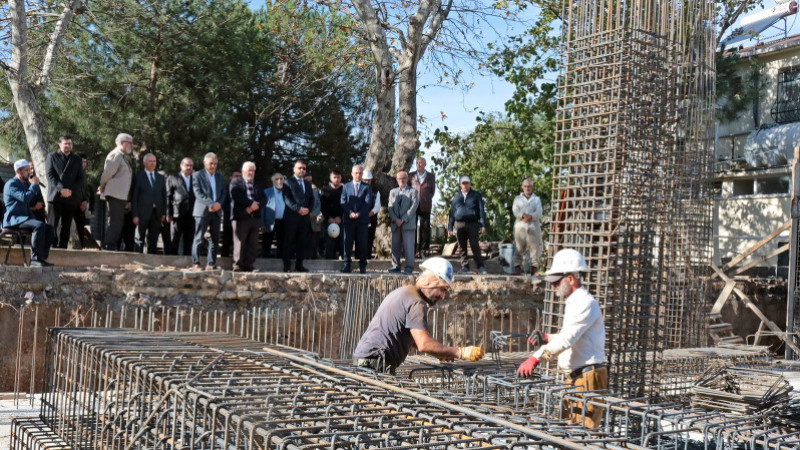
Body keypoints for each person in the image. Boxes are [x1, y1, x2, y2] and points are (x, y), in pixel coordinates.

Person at [517, 249, 606, 429]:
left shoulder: (585, 302)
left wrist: (536, 357)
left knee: (582, 435)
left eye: (556, 282)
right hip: (577, 374)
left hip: (587, 376)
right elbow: (573, 337)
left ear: (571, 279)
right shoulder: (575, 301)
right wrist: (547, 338)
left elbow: (567, 340)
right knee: (569, 431)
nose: (553, 286)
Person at [353, 257, 484, 374]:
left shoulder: (403, 292)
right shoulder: (417, 303)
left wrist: (439, 352)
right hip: (375, 362)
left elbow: (414, 340)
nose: (443, 296)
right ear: (430, 282)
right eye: (442, 289)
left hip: (365, 358)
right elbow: (423, 344)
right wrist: (459, 352)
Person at [3, 159, 55, 266]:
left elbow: (32, 197)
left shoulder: (25, 184)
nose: (30, 173)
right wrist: (34, 185)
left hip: (25, 218)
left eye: (29, 170)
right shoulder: (11, 184)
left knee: (49, 229)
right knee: (39, 226)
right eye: (27, 170)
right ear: (18, 171)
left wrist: (34, 185)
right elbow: (25, 198)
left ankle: (41, 258)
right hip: (15, 219)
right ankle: (35, 259)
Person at [45, 135, 84, 248]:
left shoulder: (76, 159)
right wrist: (61, 189)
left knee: (66, 225)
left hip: (70, 196)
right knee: (52, 224)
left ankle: (63, 248)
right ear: (59, 144)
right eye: (65, 143)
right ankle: (50, 246)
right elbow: (50, 175)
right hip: (56, 195)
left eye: (70, 144)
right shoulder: (52, 156)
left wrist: (70, 190)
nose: (68, 146)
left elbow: (80, 178)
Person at [191, 152, 227, 271]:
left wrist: (218, 204)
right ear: (204, 163)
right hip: (202, 211)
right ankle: (195, 263)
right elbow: (198, 193)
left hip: (216, 212)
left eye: (215, 164)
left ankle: (211, 263)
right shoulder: (197, 175)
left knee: (215, 239)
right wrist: (211, 204)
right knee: (199, 238)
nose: (213, 166)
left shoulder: (219, 176)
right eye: (211, 163)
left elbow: (223, 193)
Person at [98, 133, 134, 250]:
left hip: (120, 195)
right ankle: (108, 245)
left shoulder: (122, 156)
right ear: (122, 143)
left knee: (118, 221)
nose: (132, 145)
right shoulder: (115, 155)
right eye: (130, 143)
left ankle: (111, 244)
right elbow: (107, 173)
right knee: (115, 221)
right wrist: (102, 186)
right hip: (114, 194)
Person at [447, 176, 487, 275]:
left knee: (474, 245)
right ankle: (465, 267)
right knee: (461, 246)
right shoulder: (456, 197)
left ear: (470, 184)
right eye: (463, 183)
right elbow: (452, 213)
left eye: (467, 183)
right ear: (460, 184)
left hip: (472, 223)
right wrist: (450, 227)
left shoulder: (476, 195)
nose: (465, 185)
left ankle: (480, 266)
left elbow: (481, 210)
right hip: (459, 224)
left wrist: (482, 224)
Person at [230, 161, 265, 272]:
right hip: (241, 216)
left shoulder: (258, 184)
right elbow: (236, 195)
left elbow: (264, 198)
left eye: (253, 171)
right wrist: (250, 205)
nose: (251, 173)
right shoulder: (236, 182)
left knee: (253, 243)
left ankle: (249, 265)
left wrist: (256, 206)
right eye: (249, 170)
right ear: (243, 171)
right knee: (240, 241)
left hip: (255, 217)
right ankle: (237, 265)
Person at [282, 160, 317, 272]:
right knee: (288, 241)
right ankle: (287, 266)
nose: (302, 170)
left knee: (301, 242)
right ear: (294, 169)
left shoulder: (307, 184)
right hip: (291, 218)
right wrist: (298, 209)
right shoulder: (288, 182)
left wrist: (308, 209)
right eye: (299, 168)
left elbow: (312, 200)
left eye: (304, 168)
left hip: (304, 218)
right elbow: (287, 199)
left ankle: (299, 265)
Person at [131, 153, 167, 254]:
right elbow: (134, 197)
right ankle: (137, 259)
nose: (153, 163)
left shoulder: (160, 178)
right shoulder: (138, 177)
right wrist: (135, 215)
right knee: (139, 238)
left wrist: (163, 213)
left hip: (156, 214)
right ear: (144, 162)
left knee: (153, 239)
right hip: (142, 213)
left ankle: (151, 261)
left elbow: (164, 196)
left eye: (154, 161)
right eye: (150, 161)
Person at [340, 164, 372, 273]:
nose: (358, 175)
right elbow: (343, 201)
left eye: (360, 173)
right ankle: (346, 265)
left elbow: (367, 203)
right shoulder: (346, 186)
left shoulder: (366, 187)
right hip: (349, 220)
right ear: (352, 174)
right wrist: (350, 212)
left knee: (362, 244)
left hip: (361, 220)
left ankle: (362, 266)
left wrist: (358, 213)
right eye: (356, 173)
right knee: (347, 243)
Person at [388, 171, 418, 274]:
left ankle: (409, 267)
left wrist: (404, 219)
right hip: (395, 223)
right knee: (395, 246)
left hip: (408, 224)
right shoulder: (392, 192)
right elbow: (390, 207)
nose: (402, 180)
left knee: (409, 247)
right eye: (399, 178)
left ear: (407, 179)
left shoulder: (413, 191)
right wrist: (395, 219)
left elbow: (414, 207)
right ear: (397, 180)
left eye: (404, 178)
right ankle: (396, 266)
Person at [512, 178, 544, 275]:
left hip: (533, 225)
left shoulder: (536, 199)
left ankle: (534, 269)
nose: (527, 188)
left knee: (534, 248)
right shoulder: (517, 198)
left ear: (532, 187)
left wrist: (531, 216)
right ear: (522, 187)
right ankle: (517, 268)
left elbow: (539, 211)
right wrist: (522, 215)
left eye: (529, 186)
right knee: (519, 247)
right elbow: (515, 210)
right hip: (520, 226)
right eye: (525, 186)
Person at [166, 158, 195, 255]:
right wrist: (168, 213)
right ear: (181, 165)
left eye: (191, 166)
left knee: (189, 238)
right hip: (177, 212)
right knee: (175, 238)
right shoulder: (173, 177)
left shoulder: (195, 178)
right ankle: (173, 259)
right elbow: (168, 196)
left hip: (191, 213)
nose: (189, 167)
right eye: (187, 165)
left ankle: (188, 261)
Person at [410, 157, 435, 257]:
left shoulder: (431, 176)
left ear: (425, 164)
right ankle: (412, 250)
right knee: (413, 228)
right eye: (417, 162)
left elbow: (432, 191)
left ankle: (423, 250)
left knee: (425, 228)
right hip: (413, 205)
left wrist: (425, 198)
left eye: (420, 163)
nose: (418, 164)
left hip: (425, 205)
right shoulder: (411, 175)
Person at [320, 170, 344, 260]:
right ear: (330, 178)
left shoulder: (344, 190)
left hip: (341, 220)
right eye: (334, 177)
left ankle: (344, 261)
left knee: (342, 241)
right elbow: (322, 206)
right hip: (328, 220)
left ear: (341, 178)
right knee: (329, 242)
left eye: (338, 177)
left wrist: (340, 217)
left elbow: (346, 205)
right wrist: (328, 218)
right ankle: (330, 260)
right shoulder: (325, 190)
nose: (336, 179)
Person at [261, 173, 285, 258]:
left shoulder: (287, 192)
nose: (279, 181)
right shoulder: (267, 192)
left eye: (281, 179)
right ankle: (265, 260)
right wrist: (262, 223)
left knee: (282, 242)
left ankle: (281, 260)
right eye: (276, 179)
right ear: (273, 181)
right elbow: (262, 208)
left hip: (283, 221)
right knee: (267, 242)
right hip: (270, 221)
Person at [221, 171, 241, 257]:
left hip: (240, 220)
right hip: (228, 219)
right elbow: (223, 203)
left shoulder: (243, 188)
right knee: (226, 240)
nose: (238, 178)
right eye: (236, 176)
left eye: (240, 176)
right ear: (231, 177)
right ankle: (224, 258)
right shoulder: (225, 188)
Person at [303, 171, 322, 259]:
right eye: (307, 180)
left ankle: (313, 256)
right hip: (302, 218)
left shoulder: (314, 189)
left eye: (310, 181)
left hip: (313, 219)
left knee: (313, 240)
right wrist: (307, 214)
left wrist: (314, 214)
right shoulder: (299, 189)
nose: (309, 183)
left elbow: (318, 203)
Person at [362, 169, 381, 258]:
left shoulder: (376, 191)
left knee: (370, 237)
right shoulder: (357, 189)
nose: (367, 182)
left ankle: (368, 256)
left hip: (371, 217)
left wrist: (370, 213)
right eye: (365, 180)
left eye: (368, 180)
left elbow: (377, 205)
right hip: (359, 218)